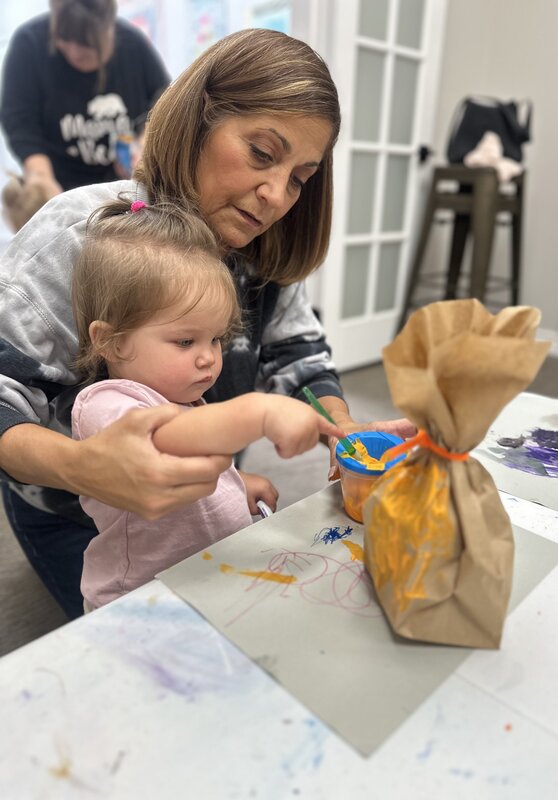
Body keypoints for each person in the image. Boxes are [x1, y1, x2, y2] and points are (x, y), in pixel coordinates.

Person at [0, 27, 415, 620]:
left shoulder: (262, 247)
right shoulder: (81, 237)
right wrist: (82, 468)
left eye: (300, 178)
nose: (276, 196)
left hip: (205, 494)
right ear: (197, 119)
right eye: (262, 153)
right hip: (73, 516)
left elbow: (297, 357)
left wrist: (340, 426)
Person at [71, 198, 343, 611]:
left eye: (215, 339)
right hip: (138, 600)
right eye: (185, 341)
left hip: (199, 578)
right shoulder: (104, 405)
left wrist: (234, 484)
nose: (208, 358)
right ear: (111, 341)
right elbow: (167, 441)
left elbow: (193, 464)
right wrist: (258, 411)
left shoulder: (185, 398)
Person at [0, 0, 170, 193]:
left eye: (86, 47)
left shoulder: (133, 45)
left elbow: (164, 103)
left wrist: (143, 149)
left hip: (123, 187)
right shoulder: (29, 45)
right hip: (61, 188)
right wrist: (41, 177)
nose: (74, 53)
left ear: (109, 29)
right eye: (64, 41)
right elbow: (19, 122)